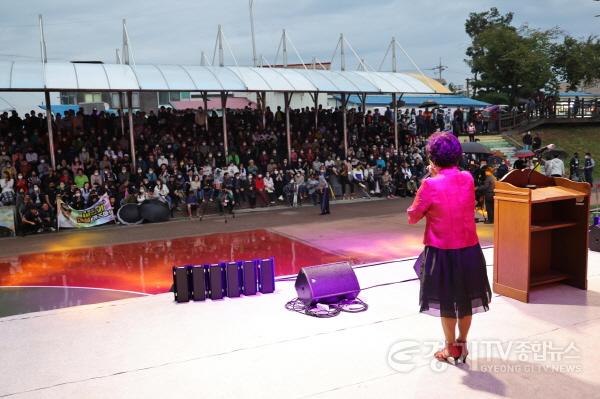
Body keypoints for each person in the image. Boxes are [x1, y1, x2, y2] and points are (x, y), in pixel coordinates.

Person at [407, 132, 491, 363]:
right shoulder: (467, 178)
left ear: (432, 157)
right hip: (469, 249)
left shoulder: (429, 184)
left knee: (446, 300)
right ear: (457, 155)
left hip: (442, 251)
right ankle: (462, 345)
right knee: (465, 299)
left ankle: (449, 347)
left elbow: (413, 216)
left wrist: (430, 179)